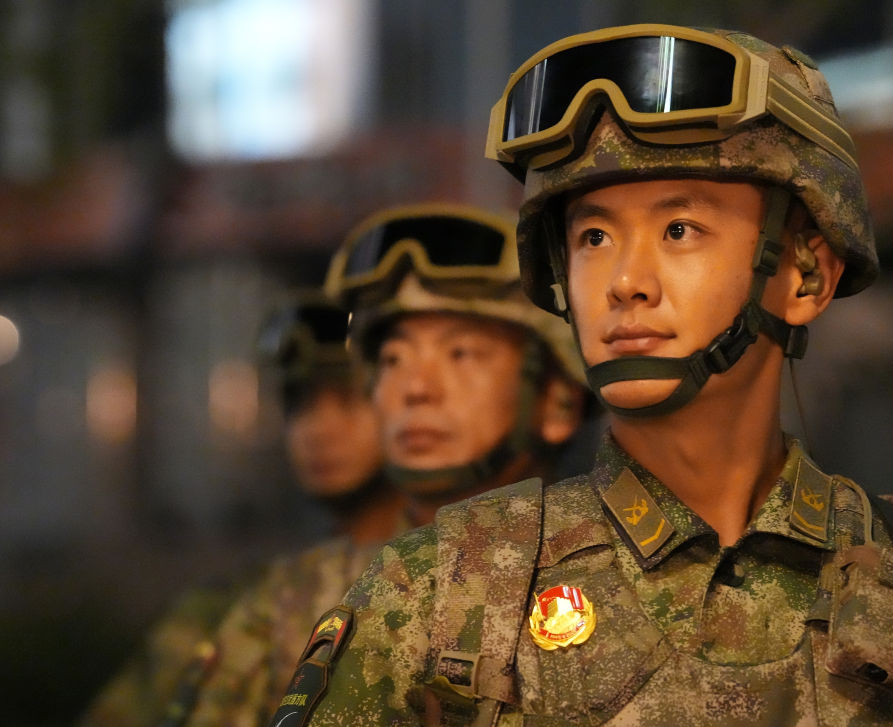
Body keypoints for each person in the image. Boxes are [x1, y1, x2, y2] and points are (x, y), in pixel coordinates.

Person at [274, 24, 893, 727]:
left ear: (805, 275)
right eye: (594, 237)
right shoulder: (439, 596)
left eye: (679, 230)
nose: (625, 281)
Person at [181, 202, 591, 726]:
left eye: (461, 354)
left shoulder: (612, 583)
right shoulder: (291, 604)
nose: (416, 388)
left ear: (557, 403)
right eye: (394, 359)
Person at [76, 293, 394, 727]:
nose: (319, 430)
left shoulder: (455, 581)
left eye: (349, 401)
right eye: (300, 404)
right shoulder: (242, 603)